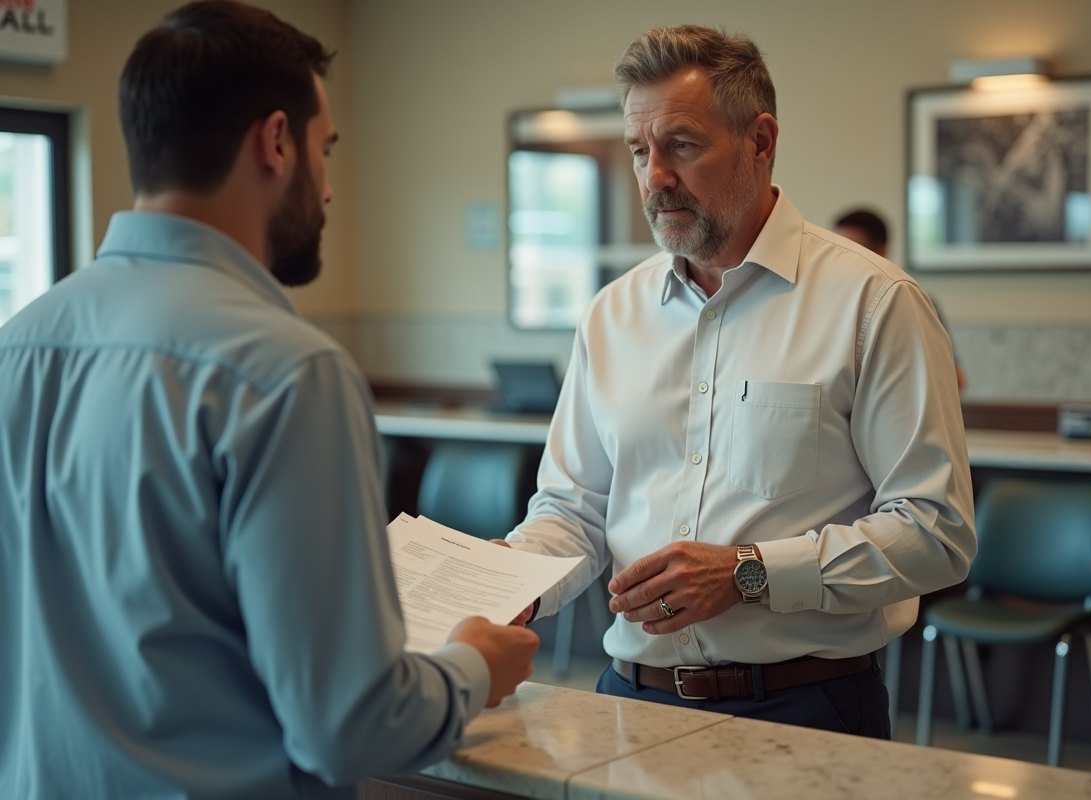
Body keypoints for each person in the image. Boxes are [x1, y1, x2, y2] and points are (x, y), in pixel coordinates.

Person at [0, 2, 537, 798]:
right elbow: (346, 727)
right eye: (325, 151)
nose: (326, 190)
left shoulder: (19, 347)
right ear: (275, 141)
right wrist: (472, 667)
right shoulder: (286, 373)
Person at [505, 25, 975, 739]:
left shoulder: (874, 304)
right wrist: (507, 584)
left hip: (806, 710)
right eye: (639, 151)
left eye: (681, 146)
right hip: (628, 704)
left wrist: (749, 572)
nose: (654, 175)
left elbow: (936, 531)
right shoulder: (611, 314)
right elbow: (574, 511)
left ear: (760, 141)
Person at [834, 207, 967, 392]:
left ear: (882, 251)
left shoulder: (910, 300)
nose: (843, 261)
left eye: (854, 250)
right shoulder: (830, 303)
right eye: (838, 251)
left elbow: (954, 379)